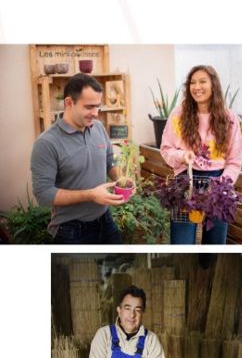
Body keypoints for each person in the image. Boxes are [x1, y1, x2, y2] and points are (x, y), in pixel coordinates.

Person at [31, 74, 124, 245]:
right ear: (68, 103)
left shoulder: (98, 128)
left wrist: (121, 180)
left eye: (98, 107)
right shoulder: (46, 143)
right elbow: (43, 194)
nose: (95, 114)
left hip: (106, 220)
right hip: (71, 231)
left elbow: (109, 160)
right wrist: (91, 195)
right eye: (89, 107)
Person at [160, 65, 242, 244]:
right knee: (181, 244)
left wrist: (220, 187)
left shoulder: (229, 118)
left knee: (214, 247)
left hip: (218, 184)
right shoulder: (178, 114)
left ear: (214, 85)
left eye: (202, 81)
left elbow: (234, 161)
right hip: (185, 182)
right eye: (192, 82)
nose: (197, 87)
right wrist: (183, 156)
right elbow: (166, 149)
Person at [89, 285, 165, 358]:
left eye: (137, 310)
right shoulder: (104, 335)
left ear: (142, 313)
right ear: (119, 310)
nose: (132, 315)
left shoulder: (151, 341)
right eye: (127, 308)